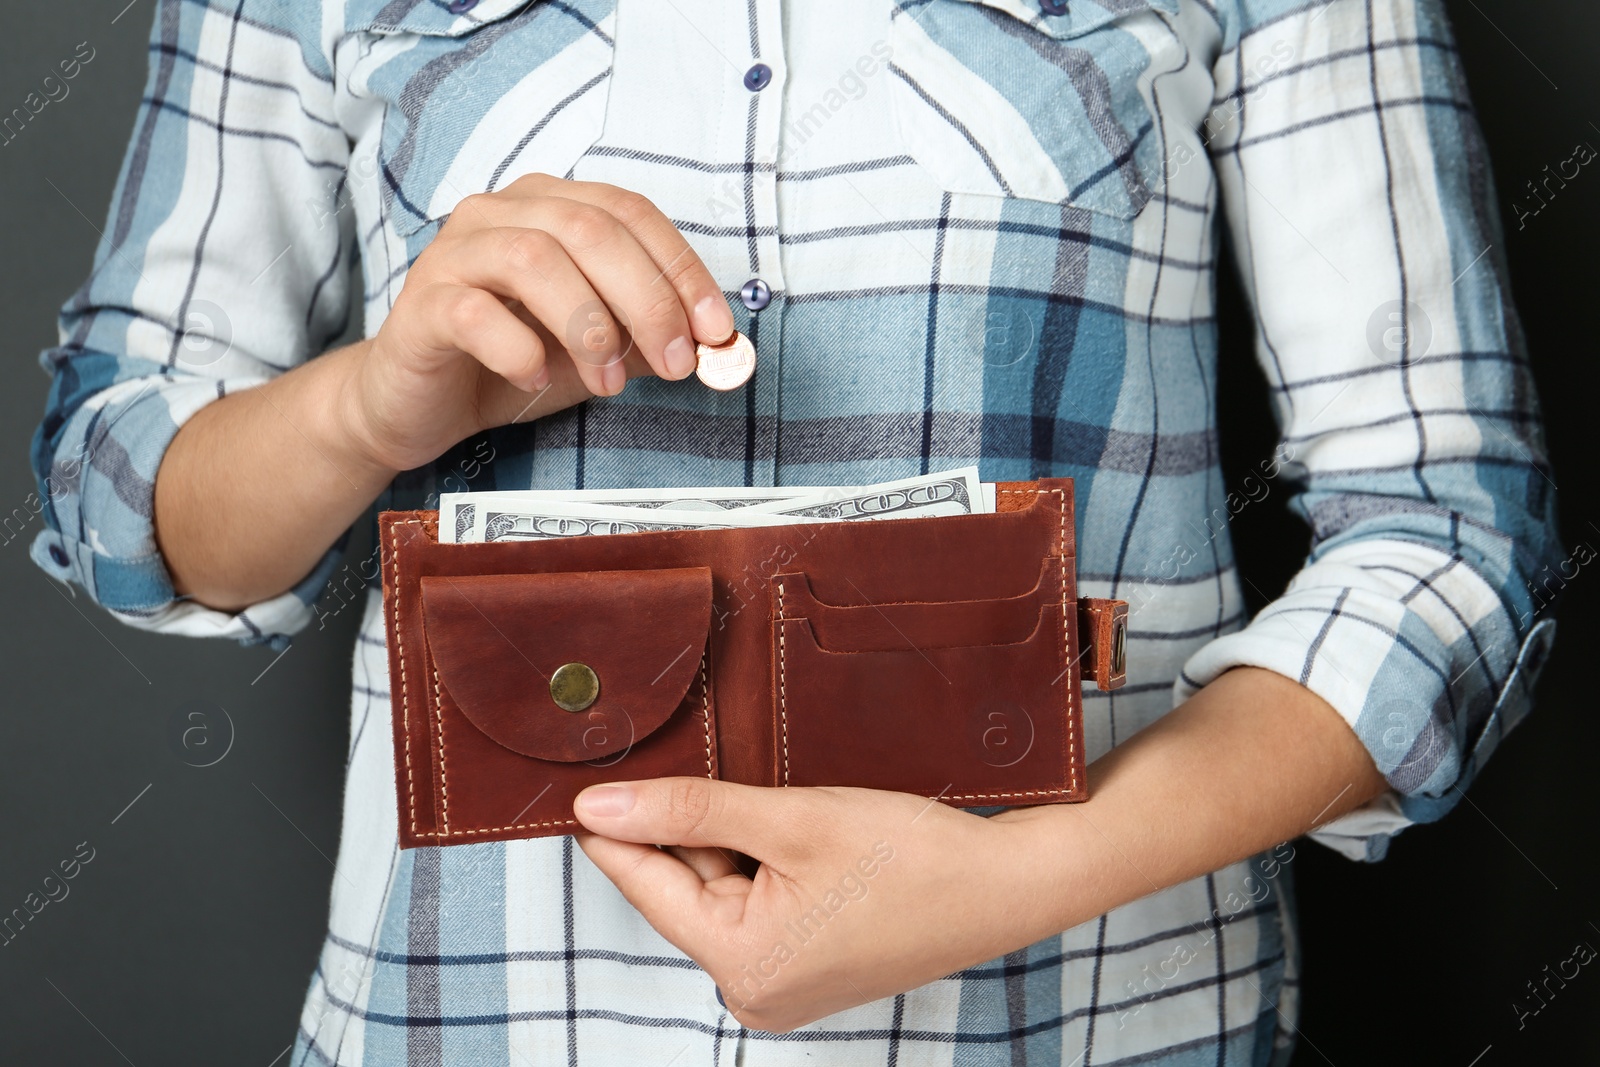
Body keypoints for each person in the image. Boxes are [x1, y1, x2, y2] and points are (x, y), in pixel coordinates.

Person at [30, 0, 1559, 1062]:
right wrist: (372, 404)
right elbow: (118, 498)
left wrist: (1032, 871)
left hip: (1087, 1022)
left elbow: (1446, 532)